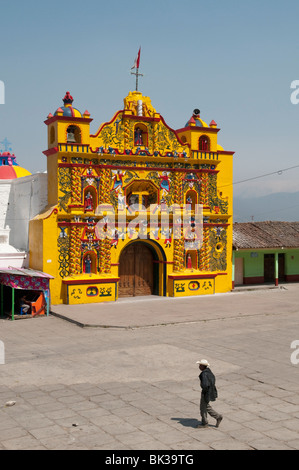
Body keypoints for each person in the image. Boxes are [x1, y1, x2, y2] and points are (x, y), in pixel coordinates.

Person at [196, 359, 222, 428]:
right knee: (206, 406)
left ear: (202, 366)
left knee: (203, 408)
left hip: (206, 393)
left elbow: (205, 385)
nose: (199, 366)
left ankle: (205, 422)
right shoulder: (209, 371)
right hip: (211, 391)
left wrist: (205, 392)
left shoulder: (204, 374)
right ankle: (216, 417)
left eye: (200, 365)